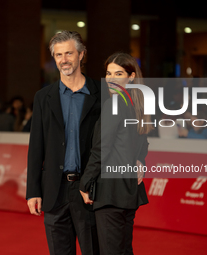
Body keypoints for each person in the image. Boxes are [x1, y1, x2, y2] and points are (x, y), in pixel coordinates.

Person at [26, 31, 102, 255]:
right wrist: (33, 191)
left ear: (81, 55)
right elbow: (36, 146)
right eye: (58, 55)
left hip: (89, 191)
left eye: (69, 53)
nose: (63, 59)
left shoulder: (102, 94)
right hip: (54, 191)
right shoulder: (43, 97)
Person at [79, 52, 149, 255]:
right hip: (128, 191)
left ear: (131, 76)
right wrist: (139, 160)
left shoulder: (115, 104)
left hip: (110, 191)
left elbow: (101, 148)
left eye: (118, 73)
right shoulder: (137, 105)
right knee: (124, 250)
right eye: (108, 73)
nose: (111, 78)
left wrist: (85, 182)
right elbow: (143, 143)